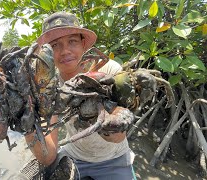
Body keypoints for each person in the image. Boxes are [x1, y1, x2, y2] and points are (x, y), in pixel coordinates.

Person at [24, 11, 136, 180]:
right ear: (46, 52)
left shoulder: (109, 71)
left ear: (84, 44)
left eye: (72, 41)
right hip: (74, 156)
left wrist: (108, 123)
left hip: (114, 158)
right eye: (54, 45)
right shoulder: (48, 86)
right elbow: (48, 156)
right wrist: (26, 122)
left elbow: (119, 137)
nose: (64, 51)